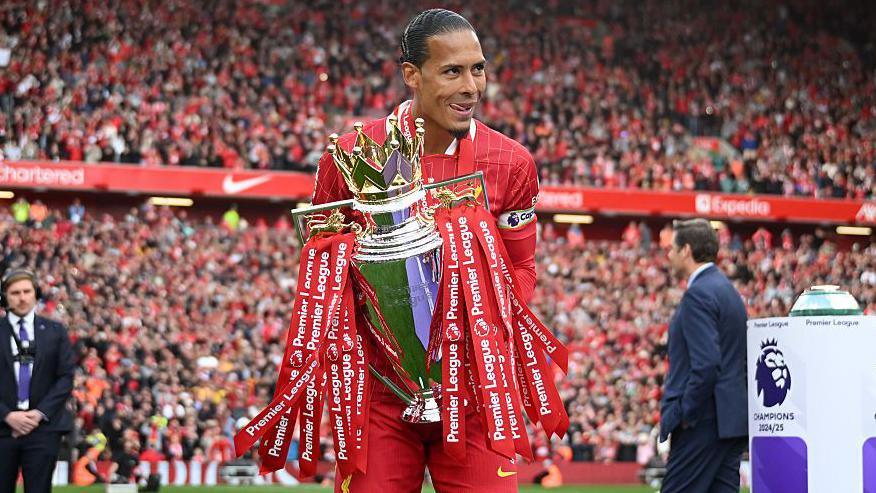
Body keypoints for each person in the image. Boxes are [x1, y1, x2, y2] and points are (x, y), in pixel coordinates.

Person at [312, 8, 540, 492]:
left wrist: (484, 332)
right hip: (380, 397)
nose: (471, 86)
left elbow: (521, 265)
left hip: (476, 393)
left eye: (477, 69)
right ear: (412, 75)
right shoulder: (353, 155)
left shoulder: (511, 163)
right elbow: (320, 269)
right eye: (452, 71)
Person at [659, 219, 748, 492]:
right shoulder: (727, 291)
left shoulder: (698, 294)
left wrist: (687, 412)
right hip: (730, 420)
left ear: (686, 250)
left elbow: (707, 363)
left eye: (672, 248)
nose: (669, 255)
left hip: (703, 422)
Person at [0, 268, 75, 493]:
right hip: (2, 429)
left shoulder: (56, 331)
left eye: (27, 291)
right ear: (4, 297)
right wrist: (7, 415)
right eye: (15, 293)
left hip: (43, 429)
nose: (22, 298)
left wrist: (38, 414)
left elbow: (65, 378)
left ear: (36, 294)